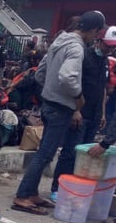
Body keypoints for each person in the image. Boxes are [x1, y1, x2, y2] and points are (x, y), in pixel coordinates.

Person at [13, 10, 106, 215]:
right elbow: (68, 77)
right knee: (44, 155)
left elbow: (41, 72)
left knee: (44, 154)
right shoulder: (76, 48)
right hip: (61, 107)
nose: (95, 38)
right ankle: (22, 196)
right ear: (93, 30)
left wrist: (49, 92)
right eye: (96, 33)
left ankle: (31, 192)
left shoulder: (60, 40)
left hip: (49, 103)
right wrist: (78, 97)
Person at [49, 26, 115, 201]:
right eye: (107, 45)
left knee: (86, 157)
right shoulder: (84, 56)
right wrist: (75, 110)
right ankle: (58, 187)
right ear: (98, 40)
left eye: (112, 46)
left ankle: (77, 189)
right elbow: (73, 84)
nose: (110, 49)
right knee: (70, 152)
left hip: (94, 115)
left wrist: (102, 113)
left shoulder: (105, 62)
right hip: (80, 114)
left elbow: (101, 89)